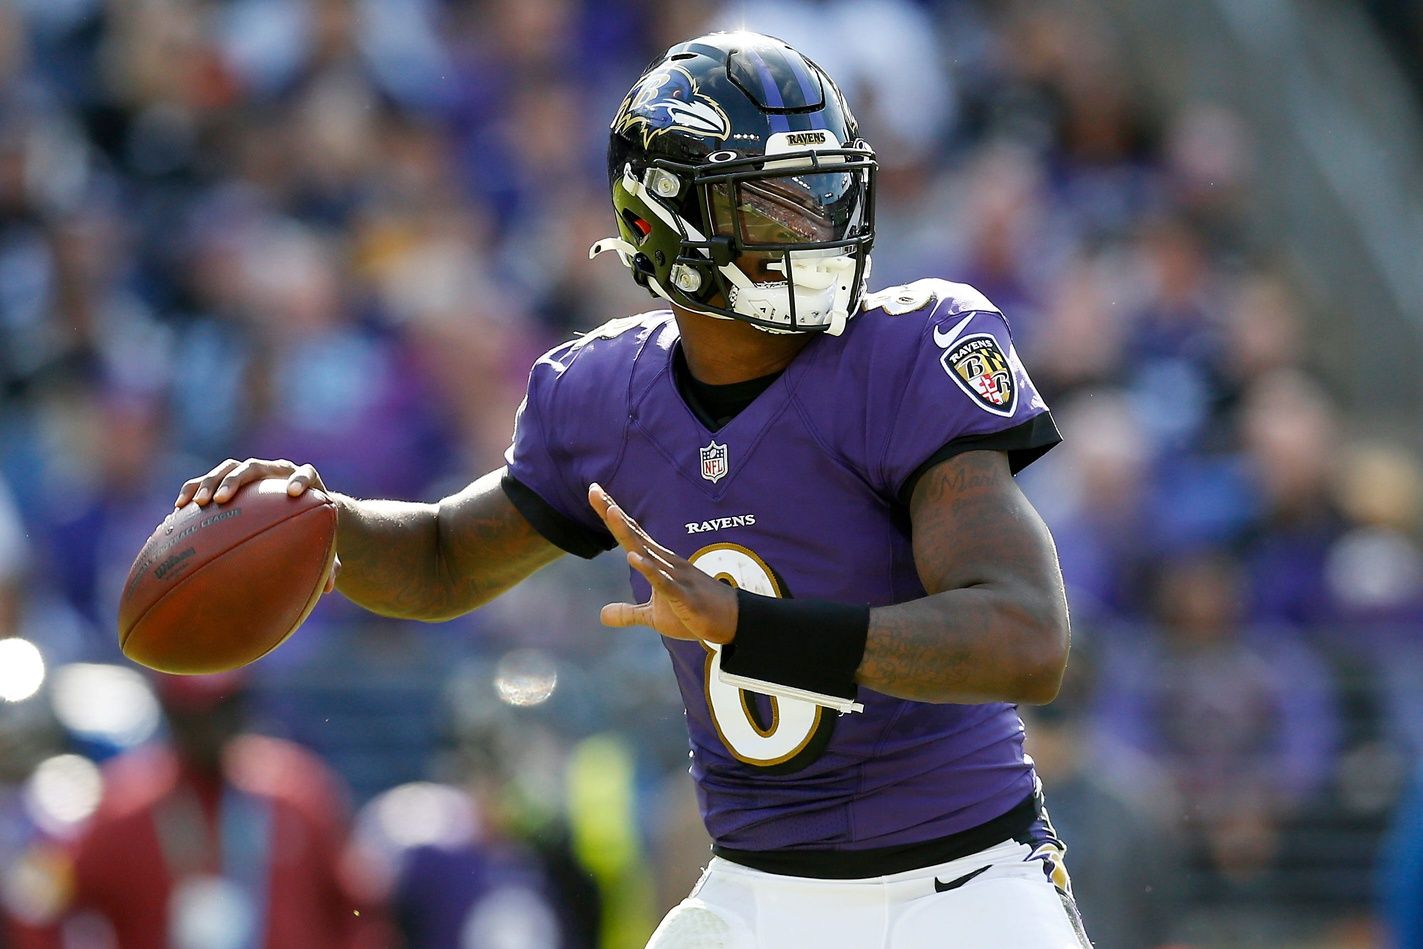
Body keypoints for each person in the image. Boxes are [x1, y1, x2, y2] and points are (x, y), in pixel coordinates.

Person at [175, 31, 1085, 947]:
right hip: (757, 890)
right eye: (769, 203)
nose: (814, 225)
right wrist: (314, 526)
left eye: (821, 190)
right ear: (664, 222)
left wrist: (744, 626)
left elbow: (1024, 636)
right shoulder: (602, 397)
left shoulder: (907, 349)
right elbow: (446, 558)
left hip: (962, 882)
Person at [8, 673, 388, 949]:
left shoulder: (298, 792)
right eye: (194, 716)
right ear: (170, 715)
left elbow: (358, 913)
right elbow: (40, 904)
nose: (209, 729)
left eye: (222, 710)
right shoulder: (124, 805)